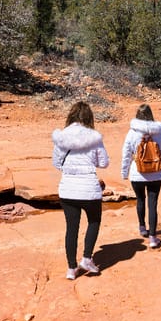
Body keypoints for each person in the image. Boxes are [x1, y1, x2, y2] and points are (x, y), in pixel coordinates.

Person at [53, 101, 110, 280]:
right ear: (89, 117)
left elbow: (56, 163)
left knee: (72, 228)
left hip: (68, 189)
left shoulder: (62, 137)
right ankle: (86, 258)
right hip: (89, 188)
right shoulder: (94, 137)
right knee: (94, 221)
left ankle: (71, 269)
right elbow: (104, 162)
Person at [121, 103, 161, 249]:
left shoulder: (132, 133)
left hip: (137, 173)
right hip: (155, 173)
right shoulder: (159, 133)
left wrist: (125, 172)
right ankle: (153, 238)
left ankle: (142, 227)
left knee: (140, 199)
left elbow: (126, 155)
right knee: (153, 203)